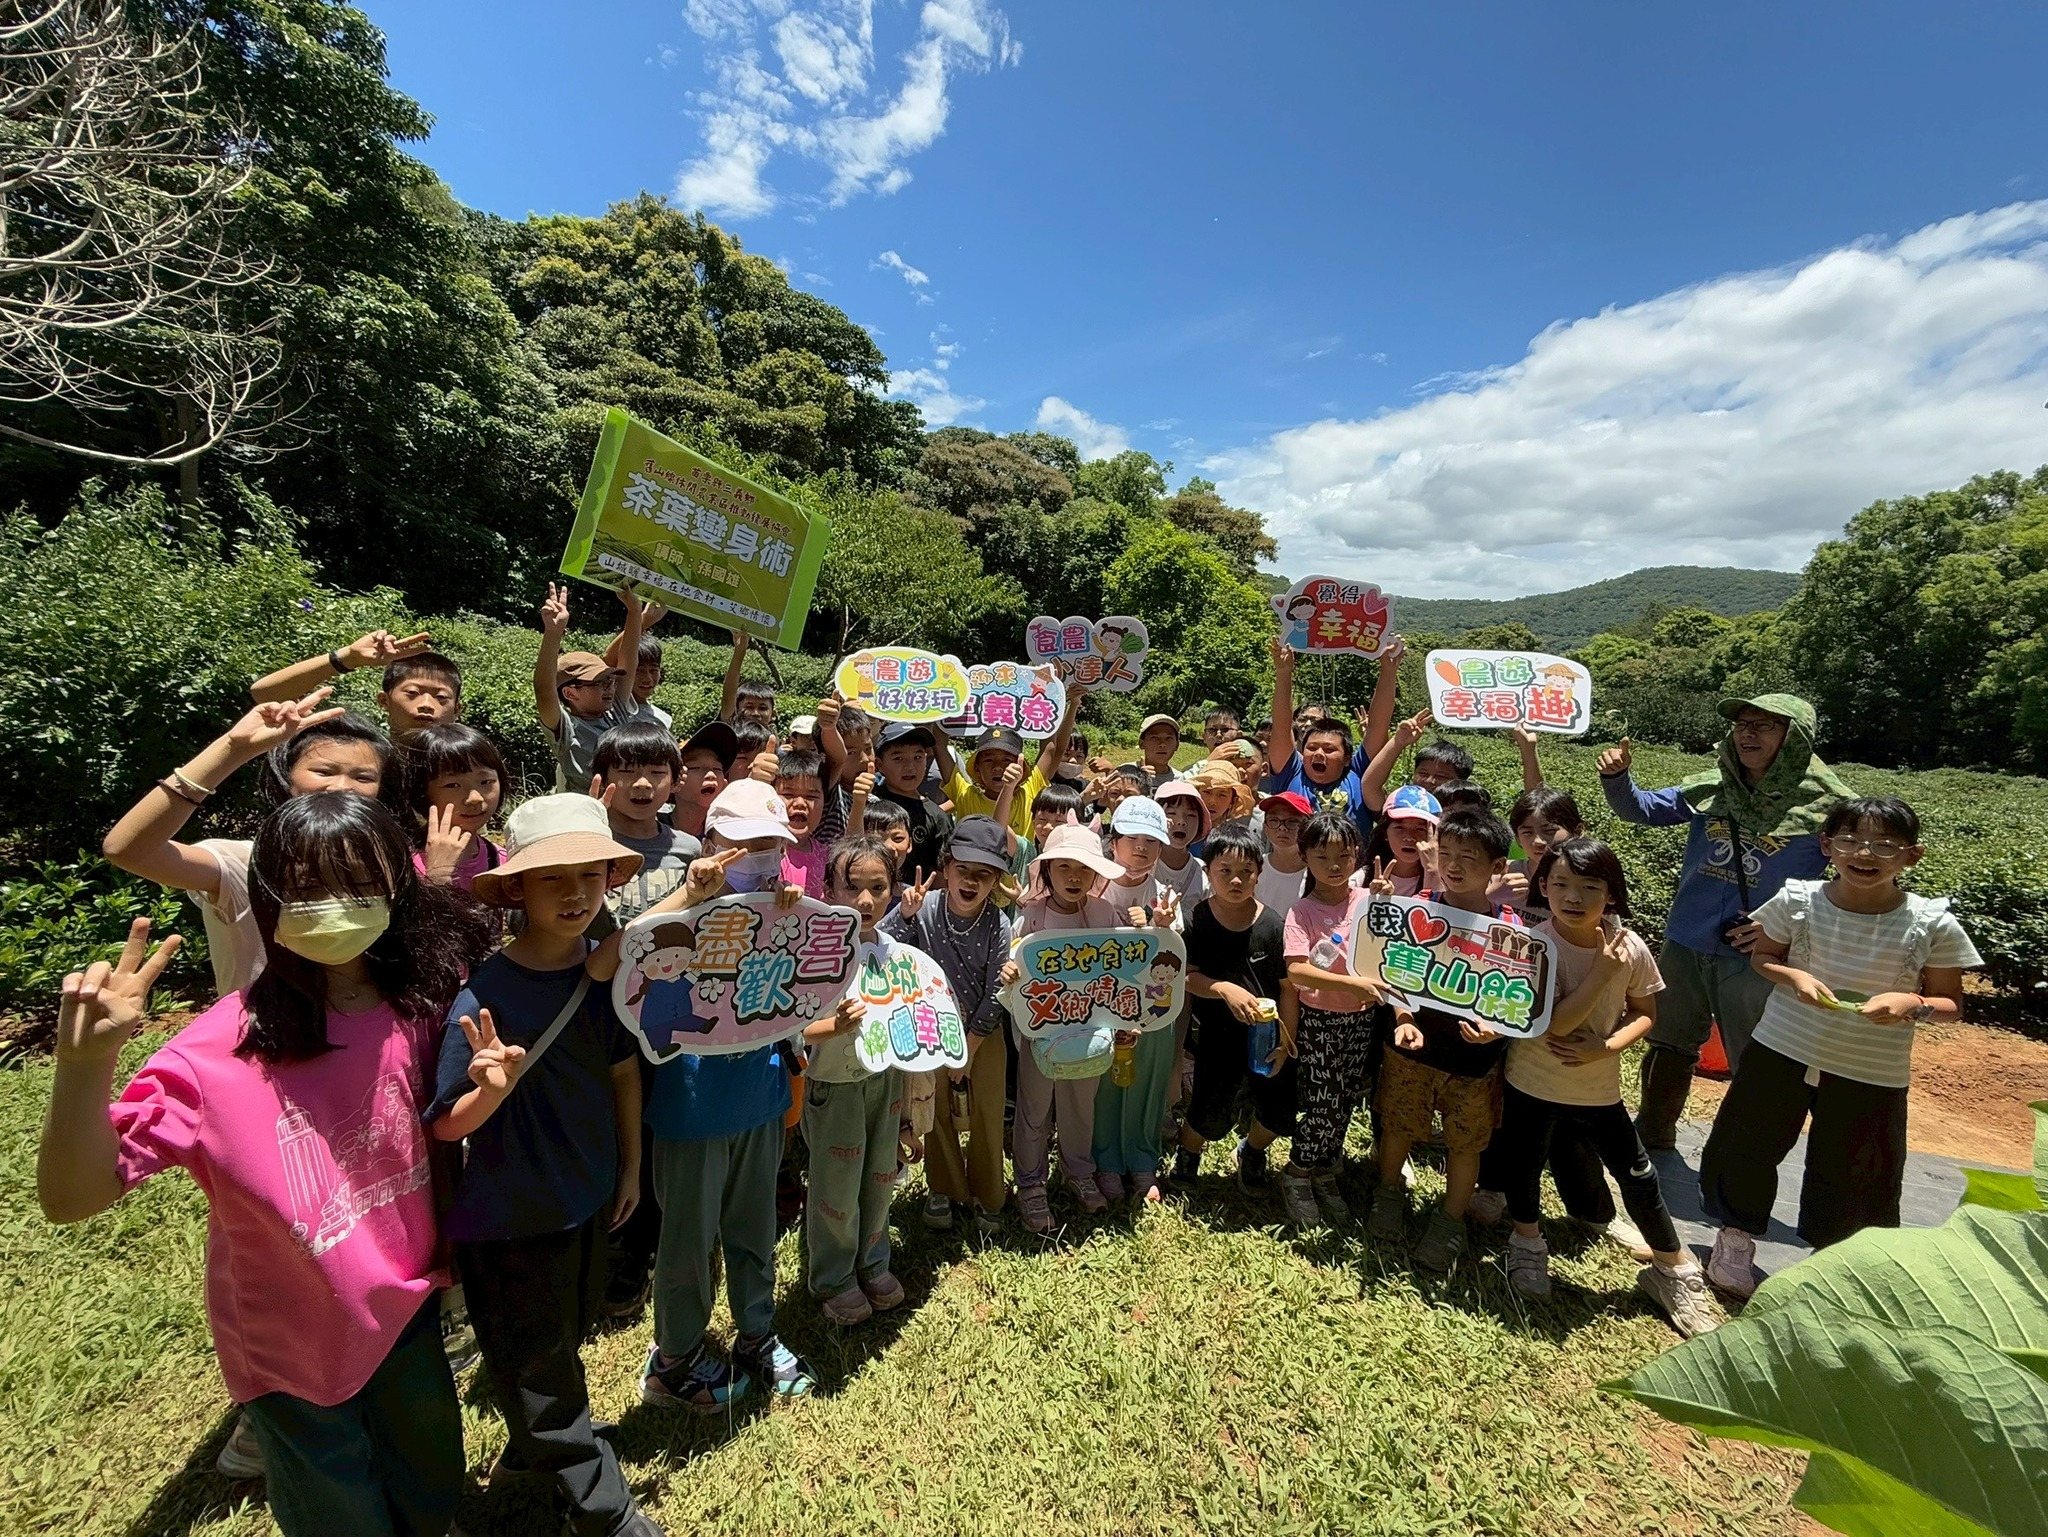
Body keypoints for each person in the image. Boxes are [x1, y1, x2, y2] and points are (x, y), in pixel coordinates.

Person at [41, 794, 484, 1536]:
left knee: (430, 1468)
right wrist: (84, 1067)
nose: (334, 904)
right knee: (336, 1505)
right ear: (269, 897)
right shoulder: (216, 1051)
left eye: (359, 881)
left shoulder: (418, 1006)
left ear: (395, 891)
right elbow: (71, 1197)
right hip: (294, 1336)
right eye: (307, 885)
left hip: (407, 1301)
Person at [428, 795, 665, 1537]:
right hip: (513, 1217)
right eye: (552, 877)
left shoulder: (602, 978)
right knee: (538, 1368)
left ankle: (535, 1456)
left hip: (588, 1193)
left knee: (562, 1340)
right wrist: (489, 1092)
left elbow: (622, 1070)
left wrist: (631, 1169)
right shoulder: (484, 995)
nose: (574, 892)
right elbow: (445, 1122)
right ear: (516, 890)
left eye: (590, 874)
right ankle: (606, 1511)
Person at [1698, 797, 1978, 1296]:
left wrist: (1912, 1001)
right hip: (1783, 1044)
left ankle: (1835, 1264)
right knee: (1747, 1143)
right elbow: (1764, 957)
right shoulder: (1798, 900)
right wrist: (1795, 977)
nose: (1864, 853)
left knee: (1859, 1166)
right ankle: (1734, 1239)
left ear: (1912, 856)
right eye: (1850, 840)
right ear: (1827, 846)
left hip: (1870, 1066)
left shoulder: (1931, 923)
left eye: (1884, 845)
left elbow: (1951, 1003)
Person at [638, 781, 822, 1408]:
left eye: (771, 843)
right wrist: (690, 896)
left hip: (760, 1095)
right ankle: (675, 1359)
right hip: (691, 1105)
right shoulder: (680, 905)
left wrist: (790, 919)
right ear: (710, 840)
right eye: (742, 842)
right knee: (687, 1242)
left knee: (754, 1225)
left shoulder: (785, 910)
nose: (758, 855)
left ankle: (757, 1334)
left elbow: (802, 993)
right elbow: (629, 957)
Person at [1487, 839, 1719, 1337]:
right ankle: (1527, 1243)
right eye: (1561, 884)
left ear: (1611, 894)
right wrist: (1602, 973)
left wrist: (1607, 1046)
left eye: (1589, 887)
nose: (1573, 896)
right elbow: (1556, 1023)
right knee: (1523, 1167)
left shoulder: (1630, 947)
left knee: (1638, 1176)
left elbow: (1646, 1013)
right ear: (1543, 887)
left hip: (1598, 1090)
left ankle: (1671, 1267)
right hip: (1532, 1082)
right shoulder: (1533, 946)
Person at [1600, 694, 1851, 1150]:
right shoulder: (1713, 788)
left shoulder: (1832, 808)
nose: (1748, 733)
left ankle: (1743, 1152)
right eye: (1742, 724)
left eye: (1765, 725)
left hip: (1760, 955)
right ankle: (1653, 1133)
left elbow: (1855, 878)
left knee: (1757, 1056)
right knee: (1669, 1041)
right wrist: (1617, 778)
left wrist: (1788, 928)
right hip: (1688, 938)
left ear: (1795, 737)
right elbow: (1643, 809)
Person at [103, 690, 391, 999]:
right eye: (323, 771)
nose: (342, 787)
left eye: (363, 777)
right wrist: (233, 749)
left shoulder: (386, 862)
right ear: (287, 777)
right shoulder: (243, 864)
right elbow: (129, 850)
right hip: (257, 1027)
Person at [1369, 808, 1518, 1272]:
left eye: (1468, 857)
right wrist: (1401, 1017)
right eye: (1447, 853)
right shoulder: (1419, 908)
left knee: (1465, 1142)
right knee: (1397, 1125)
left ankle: (1450, 1220)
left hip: (1474, 1060)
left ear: (1497, 867)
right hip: (1412, 1047)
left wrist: (1496, 1029)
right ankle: (1388, 1192)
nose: (1453, 865)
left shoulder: (1511, 931)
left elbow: (1517, 998)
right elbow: (1392, 970)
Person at [806, 835, 920, 1324]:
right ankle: (833, 1276)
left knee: (880, 1175)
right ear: (828, 890)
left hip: (885, 1079)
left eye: (878, 887)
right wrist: (834, 1027)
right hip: (834, 1084)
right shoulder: (814, 949)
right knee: (836, 1184)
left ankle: (873, 1261)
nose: (866, 900)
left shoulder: (896, 952)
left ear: (894, 889)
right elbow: (793, 1028)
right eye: (852, 887)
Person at [882, 818, 1014, 1234]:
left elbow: (997, 991)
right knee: (933, 1111)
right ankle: (943, 1188)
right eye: (963, 869)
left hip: (983, 1033)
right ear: (946, 866)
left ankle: (989, 1195)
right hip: (931, 1028)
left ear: (996, 880)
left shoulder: (998, 924)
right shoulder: (923, 907)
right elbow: (881, 946)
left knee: (988, 1112)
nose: (971, 881)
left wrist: (969, 1048)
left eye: (984, 874)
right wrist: (904, 914)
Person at [1004, 823, 1126, 1234]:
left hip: (1089, 1032)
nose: (1074, 877)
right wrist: (1010, 973)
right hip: (1040, 1033)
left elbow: (1122, 972)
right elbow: (1014, 967)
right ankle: (1030, 1182)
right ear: (1047, 870)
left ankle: (1079, 1171)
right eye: (1064, 867)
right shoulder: (1030, 917)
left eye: (1084, 869)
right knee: (1034, 1107)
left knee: (1081, 1105)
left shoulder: (1105, 914)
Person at [1173, 822, 1298, 1192]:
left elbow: (1287, 988)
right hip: (1216, 1037)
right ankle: (1188, 1154)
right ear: (1208, 870)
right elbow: (1186, 977)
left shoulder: (1273, 924)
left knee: (1278, 1110)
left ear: (1260, 873)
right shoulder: (1196, 920)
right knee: (1208, 1109)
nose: (1236, 880)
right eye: (1225, 871)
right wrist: (1223, 988)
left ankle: (1253, 1150)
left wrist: (1287, 1042)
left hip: (1267, 1036)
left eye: (1247, 871)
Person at [1276, 811, 1377, 1227]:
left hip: (1362, 1020)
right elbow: (1297, 971)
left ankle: (1325, 1166)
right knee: (1323, 1104)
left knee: (1347, 1098)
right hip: (1320, 1022)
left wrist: (1388, 903)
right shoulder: (1302, 911)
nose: (1334, 866)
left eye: (1344, 856)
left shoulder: (1369, 900)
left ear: (1357, 855)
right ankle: (1297, 1171)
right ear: (1304, 858)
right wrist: (1353, 986)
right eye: (1322, 857)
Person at [1092, 798, 1184, 1206]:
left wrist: (1160, 929)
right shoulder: (1092, 888)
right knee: (1103, 1084)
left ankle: (1143, 1159)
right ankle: (1106, 1161)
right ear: (1114, 843)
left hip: (1152, 1010)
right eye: (1132, 838)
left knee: (1148, 1082)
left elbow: (1174, 959)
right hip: (1100, 1008)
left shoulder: (1165, 896)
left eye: (1152, 841)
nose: (1141, 848)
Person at [1262, 636, 1403, 840]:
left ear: (1346, 758)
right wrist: (1284, 672)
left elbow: (1377, 726)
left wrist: (1388, 671)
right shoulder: (1290, 772)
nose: (1319, 753)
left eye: (1329, 749)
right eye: (1312, 748)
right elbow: (1282, 727)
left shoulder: (1358, 772)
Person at [534, 582, 647, 792]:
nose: (610, 688)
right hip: (586, 807)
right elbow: (544, 691)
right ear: (570, 693)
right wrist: (553, 632)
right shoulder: (567, 729)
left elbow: (629, 662)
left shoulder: (615, 712)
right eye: (599, 683)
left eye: (610, 680)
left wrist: (634, 612)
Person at [250, 626, 449, 740]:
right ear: (383, 701)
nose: (426, 704)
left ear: (458, 709)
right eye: (412, 693)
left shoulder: (467, 766)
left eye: (441, 697)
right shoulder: (359, 751)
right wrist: (348, 658)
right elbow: (264, 695)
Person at [935, 691, 1082, 839]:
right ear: (977, 768)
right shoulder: (965, 795)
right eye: (988, 760)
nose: (997, 767)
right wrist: (943, 696)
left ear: (1020, 766)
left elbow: (1051, 749)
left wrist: (1051, 696)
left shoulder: (1029, 792)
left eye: (1007, 760)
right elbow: (939, 746)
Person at [401, 722, 505, 894]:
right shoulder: (401, 866)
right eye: (453, 785)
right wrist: (437, 876)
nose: (475, 798)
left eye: (486, 782)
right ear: (420, 791)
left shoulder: (504, 862)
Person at [873, 721, 953, 880]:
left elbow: (941, 877)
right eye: (898, 758)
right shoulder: (869, 802)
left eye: (917, 757)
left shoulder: (937, 817)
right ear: (879, 764)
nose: (910, 766)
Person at [775, 746, 844, 898]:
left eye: (811, 797)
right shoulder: (762, 852)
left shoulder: (829, 859)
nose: (800, 803)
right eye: (788, 794)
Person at [1358, 784, 1441, 898]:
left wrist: (1432, 870)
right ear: (1385, 832)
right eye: (1400, 828)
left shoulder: (1449, 881)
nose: (1409, 837)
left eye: (1421, 829)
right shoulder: (1362, 879)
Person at [673, 720, 739, 842]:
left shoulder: (730, 836)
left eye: (717, 769)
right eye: (696, 767)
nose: (711, 775)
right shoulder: (646, 829)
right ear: (673, 780)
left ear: (724, 785)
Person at [1254, 792, 1311, 918]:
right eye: (1274, 820)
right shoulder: (1254, 868)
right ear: (1265, 826)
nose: (1282, 828)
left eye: (1292, 821)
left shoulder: (1317, 872)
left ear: (1307, 827)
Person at [720, 630, 778, 729]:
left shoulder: (774, 738)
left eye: (762, 708)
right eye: (749, 707)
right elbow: (728, 693)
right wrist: (740, 649)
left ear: (773, 714)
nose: (755, 713)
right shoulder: (733, 731)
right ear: (736, 710)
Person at [1137, 713, 1182, 783]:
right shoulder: (1125, 775)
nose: (1162, 744)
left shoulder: (1181, 781)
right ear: (1141, 744)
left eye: (1168, 738)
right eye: (1154, 738)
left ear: (1177, 745)